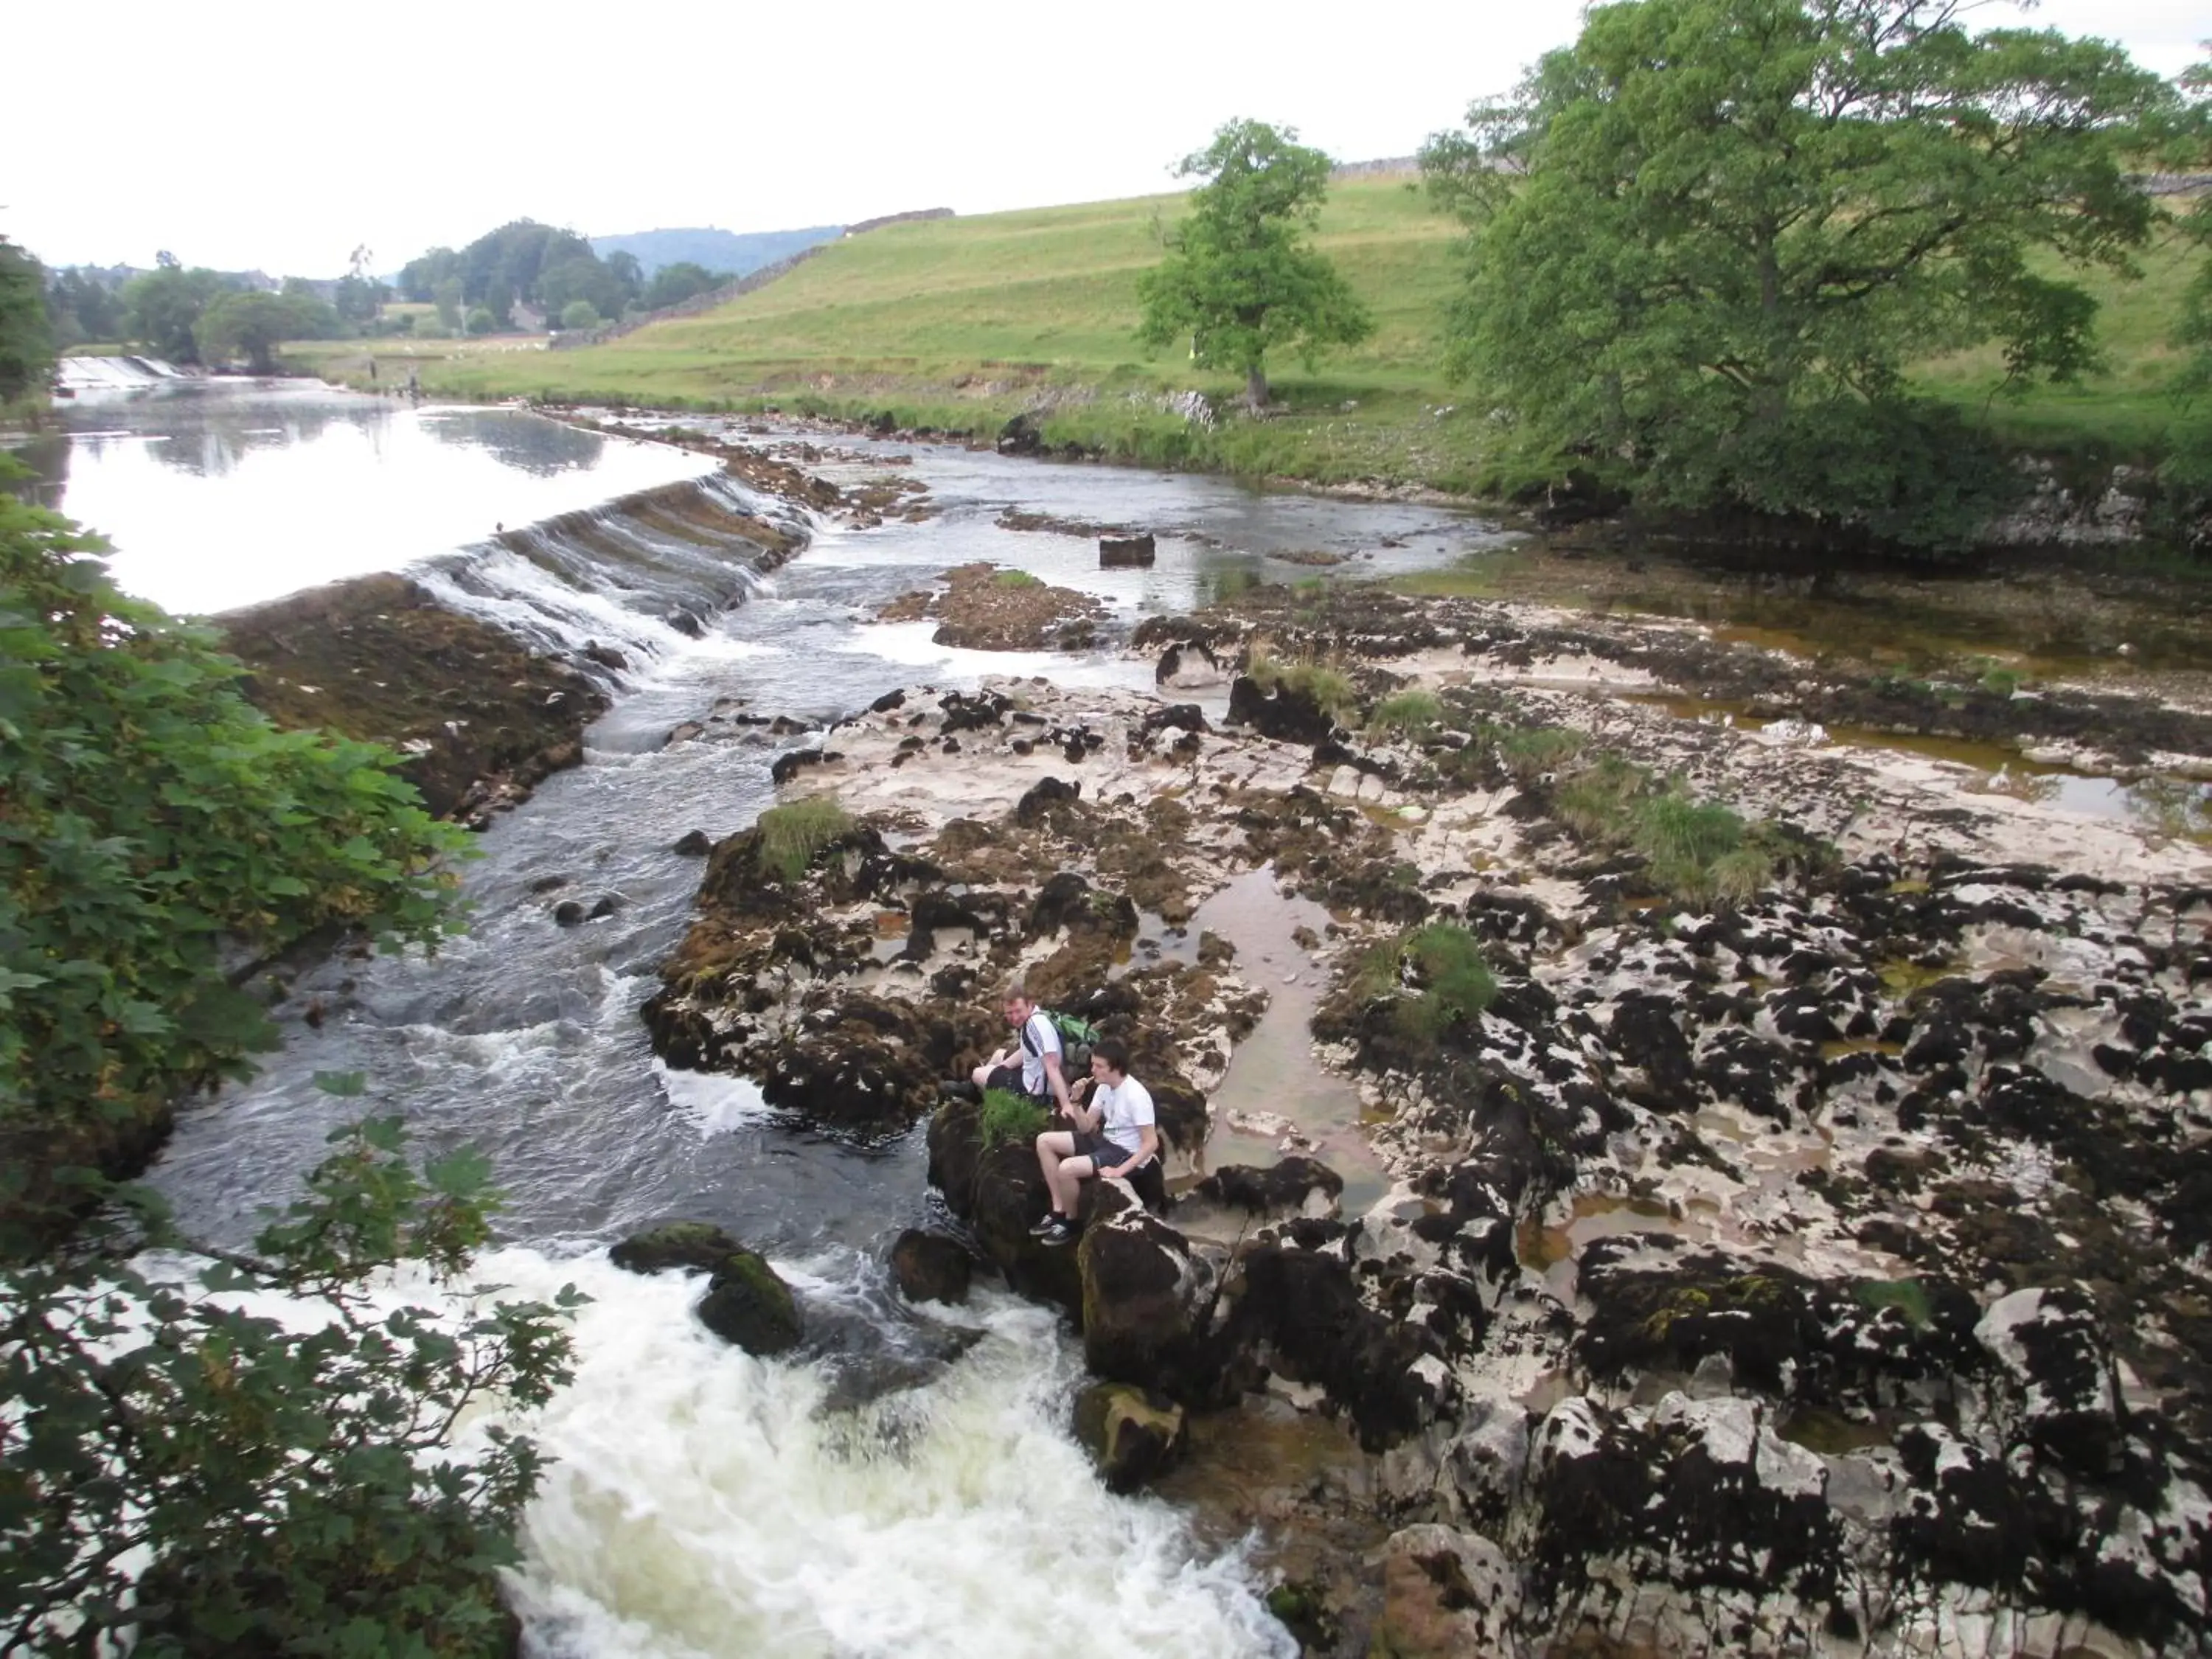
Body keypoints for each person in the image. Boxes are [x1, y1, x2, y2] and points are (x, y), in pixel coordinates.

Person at [1031, 1040, 1158, 1246]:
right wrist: (1076, 1101)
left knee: (1067, 1169)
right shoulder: (1103, 1088)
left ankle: (1071, 1223)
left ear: (1116, 1068)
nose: (1093, 1070)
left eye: (1099, 1066)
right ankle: (1058, 1209)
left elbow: (1151, 1143)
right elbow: (1086, 1127)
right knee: (1044, 1141)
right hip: (1104, 1141)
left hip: (1123, 1151)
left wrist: (1119, 1171)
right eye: (1093, 1065)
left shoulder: (1136, 1096)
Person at [970, 984, 1074, 1120]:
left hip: (1035, 1094)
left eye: (1018, 1011)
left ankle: (991, 1102)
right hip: (1035, 1075)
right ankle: (988, 1086)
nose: (1014, 1018)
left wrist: (1066, 1105)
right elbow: (1026, 1050)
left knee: (977, 1073)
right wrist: (1000, 1069)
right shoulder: (1038, 1016)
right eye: (1009, 1013)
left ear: (1029, 1004)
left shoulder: (1035, 1027)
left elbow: (1052, 1065)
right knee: (998, 1055)